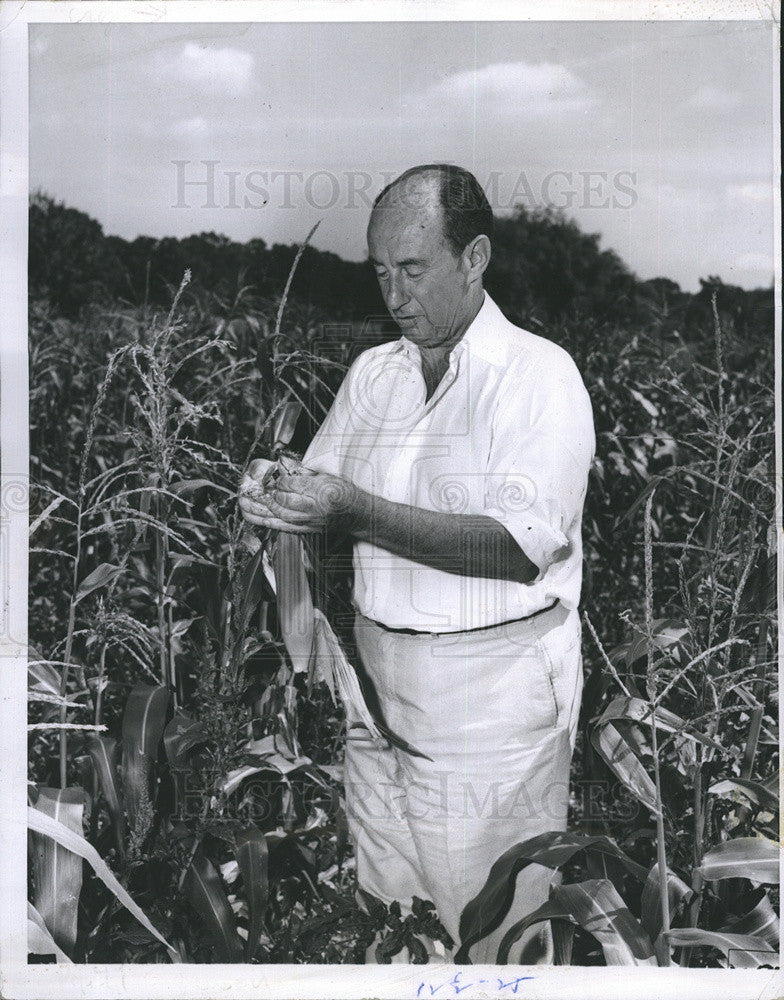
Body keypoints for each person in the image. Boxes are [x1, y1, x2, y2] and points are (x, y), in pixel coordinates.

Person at [239, 164, 595, 964]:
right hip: (373, 693)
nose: (395, 296)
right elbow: (318, 489)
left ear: (474, 258)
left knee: (497, 930)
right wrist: (276, 494)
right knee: (396, 922)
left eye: (413, 270)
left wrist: (354, 510)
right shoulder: (376, 374)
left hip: (491, 701)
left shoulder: (539, 376)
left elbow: (515, 547)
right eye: (378, 273)